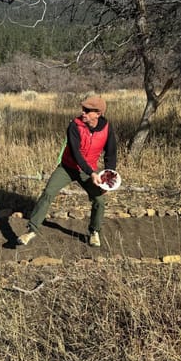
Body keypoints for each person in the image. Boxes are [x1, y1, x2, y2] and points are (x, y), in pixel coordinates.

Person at [17, 95, 117, 248]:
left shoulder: (107, 128)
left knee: (99, 200)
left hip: (89, 171)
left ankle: (94, 232)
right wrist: (92, 173)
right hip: (68, 167)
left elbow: (111, 153)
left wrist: (108, 178)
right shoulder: (74, 126)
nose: (82, 112)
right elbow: (76, 154)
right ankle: (31, 230)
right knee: (48, 192)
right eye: (83, 109)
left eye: (87, 110)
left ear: (98, 113)